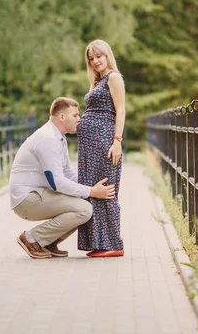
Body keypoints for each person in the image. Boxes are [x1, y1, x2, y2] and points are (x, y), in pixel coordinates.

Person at [10, 97, 116, 259]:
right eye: (75, 115)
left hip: (38, 194)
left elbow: (68, 174)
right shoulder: (48, 138)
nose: (79, 119)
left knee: (85, 203)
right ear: (62, 117)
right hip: (27, 199)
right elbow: (57, 182)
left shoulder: (59, 137)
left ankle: (46, 242)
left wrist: (91, 187)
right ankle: (32, 238)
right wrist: (92, 191)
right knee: (84, 209)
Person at [77, 39, 126, 258]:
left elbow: (121, 110)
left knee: (106, 189)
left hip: (105, 141)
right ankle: (98, 242)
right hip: (90, 147)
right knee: (93, 189)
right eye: (91, 59)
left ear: (107, 55)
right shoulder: (97, 82)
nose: (95, 61)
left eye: (98, 56)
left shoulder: (113, 77)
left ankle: (114, 244)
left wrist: (117, 141)